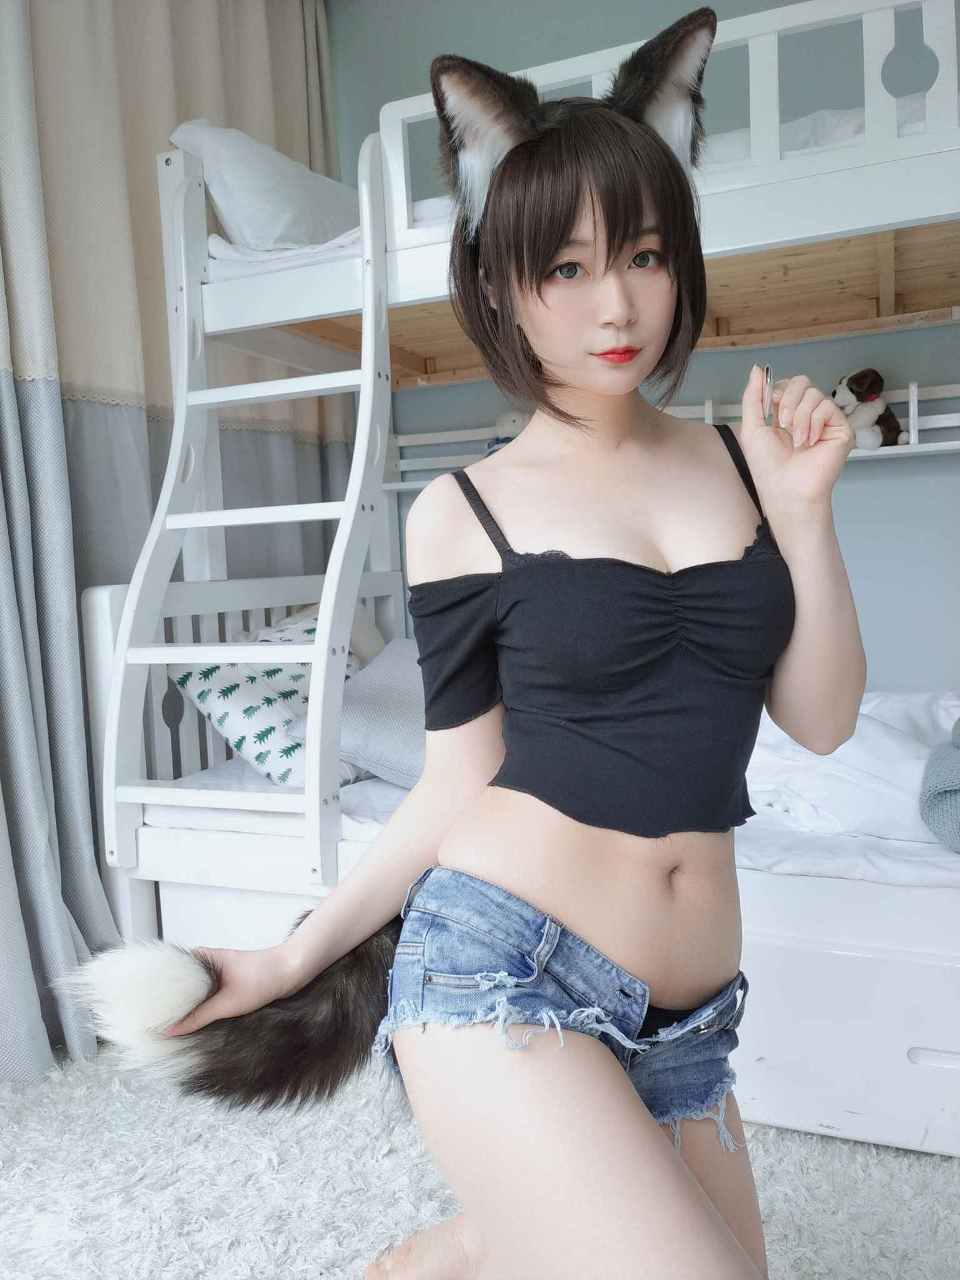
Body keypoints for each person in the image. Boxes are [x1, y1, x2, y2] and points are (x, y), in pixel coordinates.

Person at [156, 8, 864, 1277]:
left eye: (643, 254)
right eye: (566, 268)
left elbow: (820, 720)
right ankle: (520, 1208)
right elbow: (455, 779)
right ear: (499, 283)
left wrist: (803, 512)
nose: (618, 303)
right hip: (504, 970)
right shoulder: (460, 511)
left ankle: (484, 1236)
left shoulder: (742, 462)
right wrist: (295, 952)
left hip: (690, 1020)